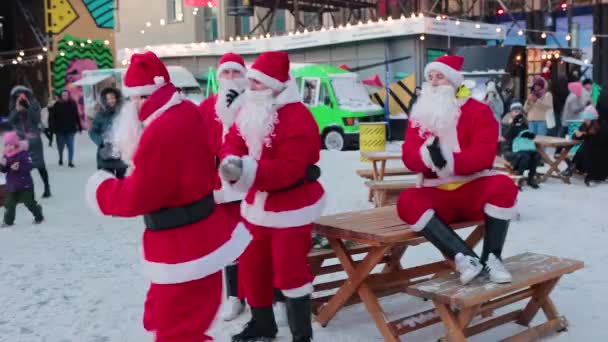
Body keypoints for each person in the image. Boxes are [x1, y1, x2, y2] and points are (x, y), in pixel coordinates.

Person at [85, 51, 251, 341]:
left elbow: (139, 196)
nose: (132, 106)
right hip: (199, 238)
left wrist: (100, 190)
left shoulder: (162, 130)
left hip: (181, 248)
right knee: (180, 323)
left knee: (179, 332)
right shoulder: (186, 110)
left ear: (147, 96)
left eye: (136, 98)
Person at [219, 51, 325, 342]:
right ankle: (263, 324)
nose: (249, 88)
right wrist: (230, 163)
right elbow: (232, 141)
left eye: (256, 83)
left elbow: (289, 169)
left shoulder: (298, 117)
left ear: (274, 86)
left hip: (292, 207)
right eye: (250, 82)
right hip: (256, 207)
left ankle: (301, 335)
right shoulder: (249, 110)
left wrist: (247, 170)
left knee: (290, 271)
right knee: (252, 267)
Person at [397, 55, 518, 285]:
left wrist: (448, 160)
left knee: (504, 185)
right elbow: (408, 157)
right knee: (407, 201)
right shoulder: (420, 117)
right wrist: (427, 156)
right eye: (430, 77)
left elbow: (484, 155)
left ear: (454, 81)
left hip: (473, 190)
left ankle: (493, 256)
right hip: (438, 196)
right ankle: (465, 258)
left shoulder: (478, 112)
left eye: (439, 77)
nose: (433, 82)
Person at [199, 52, 250, 321]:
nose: (231, 79)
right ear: (219, 78)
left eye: (236, 73)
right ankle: (234, 295)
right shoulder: (207, 107)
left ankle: (262, 294)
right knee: (228, 243)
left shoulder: (254, 104)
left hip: (250, 185)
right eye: (226, 74)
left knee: (254, 241)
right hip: (219, 188)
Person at [8, 86, 51, 198]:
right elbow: (10, 121)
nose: (20, 97)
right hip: (20, 141)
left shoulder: (33, 104)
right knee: (21, 167)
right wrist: (17, 110)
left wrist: (28, 107)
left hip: (34, 140)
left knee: (40, 165)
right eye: (18, 96)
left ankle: (47, 187)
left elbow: (36, 119)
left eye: (22, 95)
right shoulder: (14, 106)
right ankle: (25, 192)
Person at [1, 131, 44, 227]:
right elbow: (4, 170)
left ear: (16, 144)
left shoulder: (23, 154)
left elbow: (29, 166)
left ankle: (39, 215)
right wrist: (2, 165)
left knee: (29, 203)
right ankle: (8, 222)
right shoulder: (6, 156)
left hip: (25, 185)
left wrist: (19, 167)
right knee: (9, 204)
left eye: (11, 144)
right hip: (12, 185)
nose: (9, 147)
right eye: (6, 145)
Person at [89, 88, 128, 179]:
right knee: (107, 180)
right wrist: (102, 142)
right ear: (104, 100)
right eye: (107, 98)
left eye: (112, 98)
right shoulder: (100, 114)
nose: (110, 101)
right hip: (105, 153)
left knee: (122, 181)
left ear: (117, 98)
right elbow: (92, 131)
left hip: (121, 153)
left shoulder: (124, 112)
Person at [502, 103, 541, 189]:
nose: (516, 112)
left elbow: (527, 138)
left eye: (518, 110)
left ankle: (531, 178)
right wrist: (513, 124)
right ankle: (518, 179)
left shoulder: (523, 124)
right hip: (510, 150)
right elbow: (505, 137)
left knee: (536, 155)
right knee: (525, 156)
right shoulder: (506, 121)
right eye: (514, 110)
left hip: (523, 149)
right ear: (511, 112)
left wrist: (529, 135)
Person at [570, 105, 608, 185]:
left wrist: (586, 135)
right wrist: (577, 135)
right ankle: (574, 166)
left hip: (603, 150)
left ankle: (574, 166)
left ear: (593, 119)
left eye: (587, 119)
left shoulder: (602, 125)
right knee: (585, 147)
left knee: (586, 148)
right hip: (590, 149)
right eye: (585, 118)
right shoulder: (585, 125)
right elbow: (576, 137)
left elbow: (600, 140)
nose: (585, 120)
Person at [49, 90, 82, 167]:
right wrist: (53, 128)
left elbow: (76, 116)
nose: (65, 96)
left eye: (66, 95)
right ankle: (60, 158)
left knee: (71, 146)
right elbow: (52, 117)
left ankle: (70, 162)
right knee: (60, 147)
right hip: (60, 130)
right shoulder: (57, 105)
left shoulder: (73, 104)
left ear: (68, 95)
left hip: (71, 129)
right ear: (61, 96)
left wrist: (79, 127)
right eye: (63, 95)